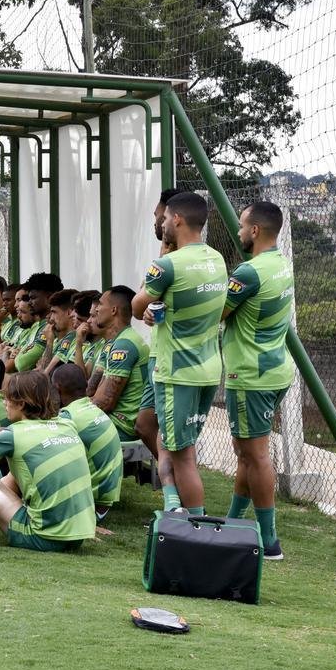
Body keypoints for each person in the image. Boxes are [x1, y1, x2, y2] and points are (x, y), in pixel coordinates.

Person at [132, 191, 227, 515]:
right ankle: (175, 507)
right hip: (208, 367)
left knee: (182, 454)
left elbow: (136, 306)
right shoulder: (217, 260)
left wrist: (149, 301)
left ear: (176, 219)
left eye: (163, 217)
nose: (160, 222)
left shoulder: (167, 265)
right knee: (171, 440)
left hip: (176, 369)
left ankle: (195, 526)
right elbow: (176, 304)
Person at [0, 370, 96, 551]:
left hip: (40, 536)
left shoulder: (14, 434)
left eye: (7, 399)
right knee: (19, 472)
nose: (4, 404)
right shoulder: (67, 425)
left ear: (21, 404)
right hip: (76, 538)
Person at [222, 201, 295, 561]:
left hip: (250, 376)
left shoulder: (248, 273)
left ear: (254, 231)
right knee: (247, 455)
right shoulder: (282, 264)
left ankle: (269, 543)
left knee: (256, 455)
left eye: (240, 226)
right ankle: (232, 524)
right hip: (276, 369)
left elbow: (217, 312)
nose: (237, 232)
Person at [133, 188, 181, 465]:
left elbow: (139, 302)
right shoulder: (164, 253)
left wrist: (145, 306)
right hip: (158, 352)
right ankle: (171, 481)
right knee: (145, 424)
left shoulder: (175, 258)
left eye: (157, 215)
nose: (155, 221)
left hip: (175, 359)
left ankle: (177, 489)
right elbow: (144, 299)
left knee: (174, 434)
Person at [53, 363, 123, 520]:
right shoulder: (91, 409)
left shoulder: (69, 417)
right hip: (103, 503)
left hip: (89, 509)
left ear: (57, 389)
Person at [85, 287, 151, 452]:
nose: (97, 309)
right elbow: (91, 389)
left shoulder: (124, 344)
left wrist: (74, 414)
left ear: (113, 310)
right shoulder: (112, 342)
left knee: (63, 432)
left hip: (122, 426)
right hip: (111, 420)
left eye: (100, 304)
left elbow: (105, 402)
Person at [41, 288, 78, 375]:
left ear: (69, 313)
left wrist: (49, 342)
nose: (51, 318)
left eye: (54, 312)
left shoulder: (72, 337)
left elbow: (44, 373)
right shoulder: (63, 338)